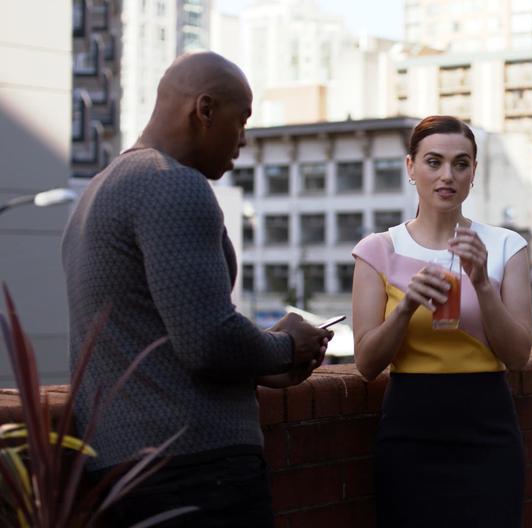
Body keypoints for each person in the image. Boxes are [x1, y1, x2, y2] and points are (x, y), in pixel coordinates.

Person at [61, 52, 331, 527]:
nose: (243, 140)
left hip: (116, 472)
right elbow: (207, 342)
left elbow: (156, 339)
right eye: (240, 121)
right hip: (194, 471)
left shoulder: (95, 194)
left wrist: (259, 362)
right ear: (204, 110)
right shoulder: (171, 184)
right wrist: (288, 345)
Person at [351, 115, 532, 527]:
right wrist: (405, 307)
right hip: (410, 424)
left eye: (461, 163)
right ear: (410, 167)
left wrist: (483, 283)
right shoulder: (378, 250)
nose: (447, 175)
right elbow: (366, 363)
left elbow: (519, 355)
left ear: (473, 173)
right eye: (433, 161)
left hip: (487, 423)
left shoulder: (506, 245)